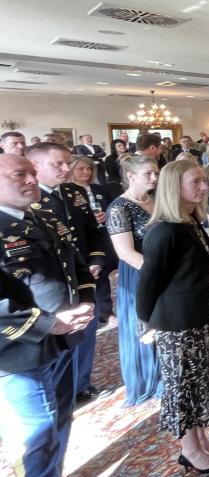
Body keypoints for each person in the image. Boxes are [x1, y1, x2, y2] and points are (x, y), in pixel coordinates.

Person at [0, 153, 112, 477]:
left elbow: (76, 265)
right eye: (19, 175)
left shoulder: (42, 217)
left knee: (60, 419)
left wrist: (85, 302)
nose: (31, 180)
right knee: (36, 434)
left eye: (32, 173)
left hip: (62, 338)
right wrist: (50, 322)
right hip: (17, 351)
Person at [137, 160, 209, 475]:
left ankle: (201, 440)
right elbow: (148, 284)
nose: (204, 187)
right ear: (174, 187)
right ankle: (189, 450)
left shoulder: (189, 222)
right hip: (178, 324)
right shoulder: (164, 231)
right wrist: (146, 324)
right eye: (196, 182)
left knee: (200, 381)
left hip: (200, 316)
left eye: (205, 181)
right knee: (184, 387)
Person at [29, 143, 113, 405]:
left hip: (85, 275)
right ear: (36, 166)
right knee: (59, 341)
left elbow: (92, 230)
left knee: (86, 333)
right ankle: (58, 393)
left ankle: (81, 385)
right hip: (55, 283)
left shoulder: (74, 192)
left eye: (67, 162)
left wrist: (95, 260)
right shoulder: (29, 199)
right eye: (58, 164)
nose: (66, 169)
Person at [106, 154, 163, 406]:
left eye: (156, 173)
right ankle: (148, 379)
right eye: (148, 173)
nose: (154, 177)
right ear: (130, 176)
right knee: (145, 322)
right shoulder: (119, 208)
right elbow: (125, 252)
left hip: (162, 267)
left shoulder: (155, 200)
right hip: (140, 272)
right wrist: (156, 272)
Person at [69, 156, 118, 326]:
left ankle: (105, 311)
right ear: (72, 171)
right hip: (82, 238)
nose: (86, 172)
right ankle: (97, 311)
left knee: (103, 271)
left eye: (89, 169)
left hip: (103, 235)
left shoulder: (98, 188)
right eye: (81, 169)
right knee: (93, 276)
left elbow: (111, 207)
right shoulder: (68, 191)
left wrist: (106, 214)